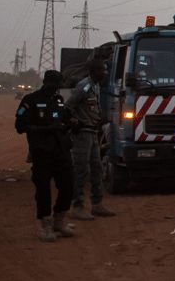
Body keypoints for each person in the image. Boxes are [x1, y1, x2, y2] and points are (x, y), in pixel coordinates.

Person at [15, 70, 77, 242]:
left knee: (68, 185)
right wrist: (45, 130)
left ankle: (59, 220)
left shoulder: (58, 101)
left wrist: (71, 123)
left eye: (58, 86)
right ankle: (45, 224)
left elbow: (63, 119)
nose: (56, 89)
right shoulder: (30, 100)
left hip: (61, 151)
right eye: (54, 85)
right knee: (43, 190)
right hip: (41, 152)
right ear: (46, 82)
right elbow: (20, 126)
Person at [65, 59, 116, 220]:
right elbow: (68, 107)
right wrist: (74, 123)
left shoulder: (95, 86)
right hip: (82, 135)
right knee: (81, 170)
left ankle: (97, 204)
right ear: (93, 71)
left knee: (97, 169)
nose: (105, 73)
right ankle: (77, 206)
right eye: (103, 70)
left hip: (93, 133)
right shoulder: (84, 86)